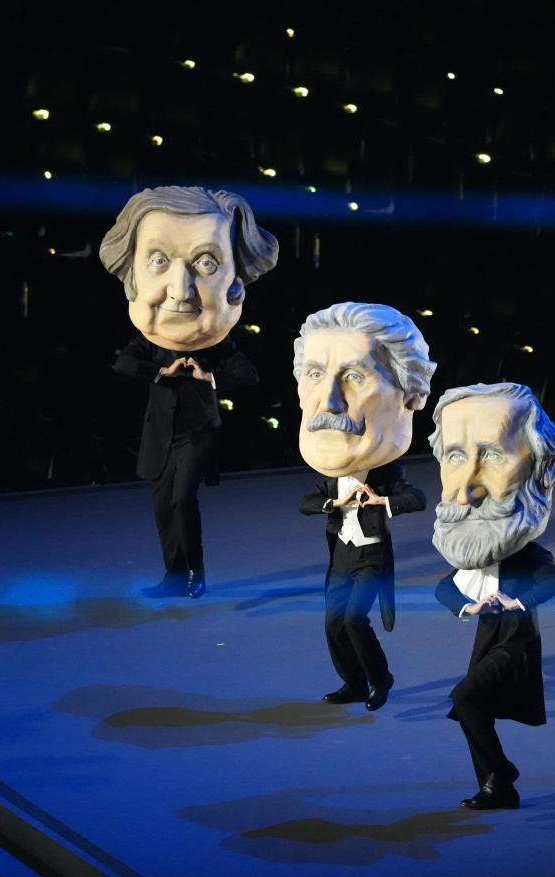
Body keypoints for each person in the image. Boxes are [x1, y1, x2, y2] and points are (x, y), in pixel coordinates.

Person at [100, 186, 278, 598]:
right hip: (160, 433)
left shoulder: (214, 345)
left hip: (198, 432)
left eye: (206, 262)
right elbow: (123, 364)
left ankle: (197, 575)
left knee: (183, 500)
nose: (180, 289)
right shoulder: (152, 343)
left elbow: (247, 373)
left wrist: (207, 376)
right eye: (158, 261)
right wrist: (161, 370)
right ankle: (173, 577)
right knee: (163, 508)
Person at [429, 383, 555, 809]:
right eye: (454, 456)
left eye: (491, 455)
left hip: (515, 646)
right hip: (487, 642)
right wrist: (468, 606)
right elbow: (444, 588)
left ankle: (500, 774)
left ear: (543, 470)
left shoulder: (528, 555)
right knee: (472, 709)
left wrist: (516, 602)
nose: (465, 492)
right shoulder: (476, 555)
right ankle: (496, 785)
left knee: (464, 699)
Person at [295, 302, 436, 710]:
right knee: (334, 625)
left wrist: (381, 500)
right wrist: (333, 502)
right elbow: (307, 502)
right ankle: (353, 682)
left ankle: (380, 679)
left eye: (355, 376)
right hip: (341, 560)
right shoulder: (331, 476)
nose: (329, 402)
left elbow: (416, 498)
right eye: (315, 374)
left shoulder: (386, 472)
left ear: (411, 396)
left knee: (355, 620)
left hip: (371, 560)